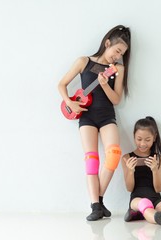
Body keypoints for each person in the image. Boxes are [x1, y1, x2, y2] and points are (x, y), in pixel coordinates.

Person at [58, 25, 131, 221]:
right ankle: (96, 207)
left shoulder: (118, 69)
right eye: (116, 51)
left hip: (107, 116)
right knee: (91, 158)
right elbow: (61, 84)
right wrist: (69, 102)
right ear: (107, 43)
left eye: (121, 53)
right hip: (86, 117)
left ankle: (98, 201)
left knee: (114, 154)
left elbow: (116, 99)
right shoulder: (84, 61)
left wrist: (105, 85)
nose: (117, 56)